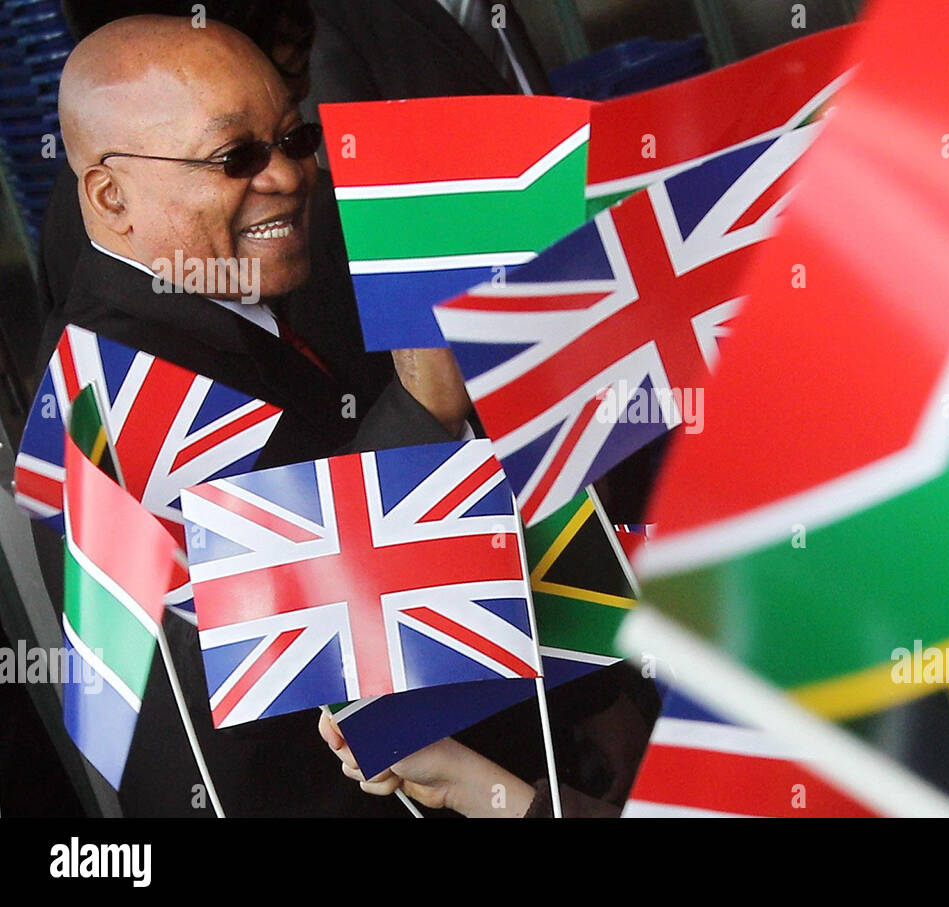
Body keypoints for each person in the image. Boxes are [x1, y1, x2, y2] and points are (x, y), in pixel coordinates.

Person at [38, 14, 652, 817]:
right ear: (112, 195)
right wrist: (423, 400)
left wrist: (587, 704)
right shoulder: (113, 389)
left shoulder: (227, 298)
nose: (289, 177)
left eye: (295, 141)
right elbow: (297, 635)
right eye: (237, 158)